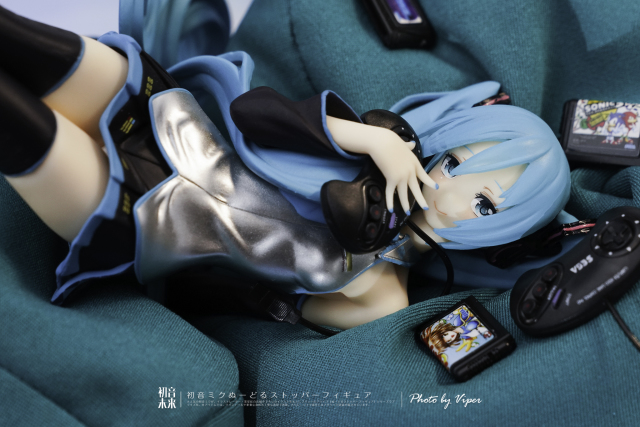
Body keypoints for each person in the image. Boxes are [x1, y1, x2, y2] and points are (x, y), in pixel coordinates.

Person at [0, 6, 570, 329]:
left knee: (17, 125)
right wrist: (373, 139)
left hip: (153, 220)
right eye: (454, 163)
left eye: (485, 205)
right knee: (21, 40)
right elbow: (254, 113)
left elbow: (247, 298)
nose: (449, 193)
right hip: (171, 117)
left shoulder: (383, 300)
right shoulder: (363, 158)